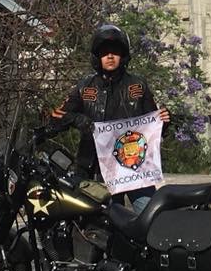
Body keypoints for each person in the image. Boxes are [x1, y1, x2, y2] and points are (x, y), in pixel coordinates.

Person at [48, 21, 170, 212]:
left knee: (152, 215)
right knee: (98, 225)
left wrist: (165, 120)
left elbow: (157, 127)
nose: (110, 56)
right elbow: (55, 118)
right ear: (97, 57)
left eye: (115, 51)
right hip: (94, 170)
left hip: (134, 169)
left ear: (124, 55)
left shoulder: (138, 86)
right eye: (104, 52)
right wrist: (76, 119)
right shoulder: (84, 87)